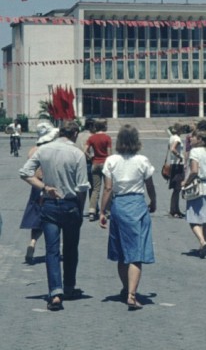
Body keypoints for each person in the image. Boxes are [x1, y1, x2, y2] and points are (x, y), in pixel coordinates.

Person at [19, 120, 90, 311]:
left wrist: (44, 187)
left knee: (52, 251)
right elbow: (82, 186)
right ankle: (69, 286)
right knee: (70, 249)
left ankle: (55, 293)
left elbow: (25, 172)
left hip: (49, 203)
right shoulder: (77, 153)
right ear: (74, 133)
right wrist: (81, 209)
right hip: (71, 204)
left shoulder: (44, 150)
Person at [98, 125, 156, 310]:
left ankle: (125, 288)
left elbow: (107, 188)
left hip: (119, 205)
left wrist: (102, 211)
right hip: (137, 204)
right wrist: (153, 200)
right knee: (136, 252)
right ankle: (132, 294)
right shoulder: (142, 160)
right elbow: (149, 184)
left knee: (122, 252)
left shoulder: (111, 160)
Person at [20, 121, 59, 264]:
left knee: (36, 217)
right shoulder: (52, 150)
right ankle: (54, 248)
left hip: (36, 185)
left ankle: (32, 243)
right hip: (50, 185)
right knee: (53, 217)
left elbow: (28, 171)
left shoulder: (32, 150)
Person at [181, 130, 206, 259]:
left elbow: (194, 171)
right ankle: (203, 245)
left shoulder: (195, 152)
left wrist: (185, 182)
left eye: (193, 137)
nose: (190, 139)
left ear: (200, 139)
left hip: (198, 187)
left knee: (193, 217)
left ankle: (202, 240)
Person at [84, 119, 112, 221]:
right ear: (104, 127)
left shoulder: (92, 138)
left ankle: (92, 211)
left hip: (95, 163)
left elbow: (85, 150)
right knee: (108, 188)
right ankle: (107, 210)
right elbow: (109, 154)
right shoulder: (107, 138)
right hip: (105, 164)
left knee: (95, 188)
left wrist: (91, 157)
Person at [76, 118, 96, 215]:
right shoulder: (91, 136)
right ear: (91, 126)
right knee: (93, 187)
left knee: (80, 187)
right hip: (88, 162)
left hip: (77, 163)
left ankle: (79, 208)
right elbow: (91, 152)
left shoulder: (78, 135)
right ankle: (93, 209)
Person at [168, 123, 185, 218]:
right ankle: (174, 210)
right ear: (179, 130)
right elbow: (173, 149)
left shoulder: (171, 137)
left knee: (176, 189)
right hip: (178, 164)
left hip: (173, 164)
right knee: (177, 188)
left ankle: (175, 209)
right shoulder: (177, 139)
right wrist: (180, 156)